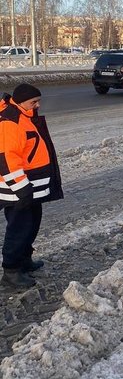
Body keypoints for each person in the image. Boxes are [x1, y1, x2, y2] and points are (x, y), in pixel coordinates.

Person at [0, 84, 63, 289]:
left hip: (30, 186)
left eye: (38, 101)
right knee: (19, 228)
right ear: (20, 102)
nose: (37, 105)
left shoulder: (25, 116)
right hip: (18, 190)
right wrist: (21, 188)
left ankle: (24, 259)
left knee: (32, 224)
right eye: (33, 102)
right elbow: (7, 160)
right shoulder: (10, 122)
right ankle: (11, 270)